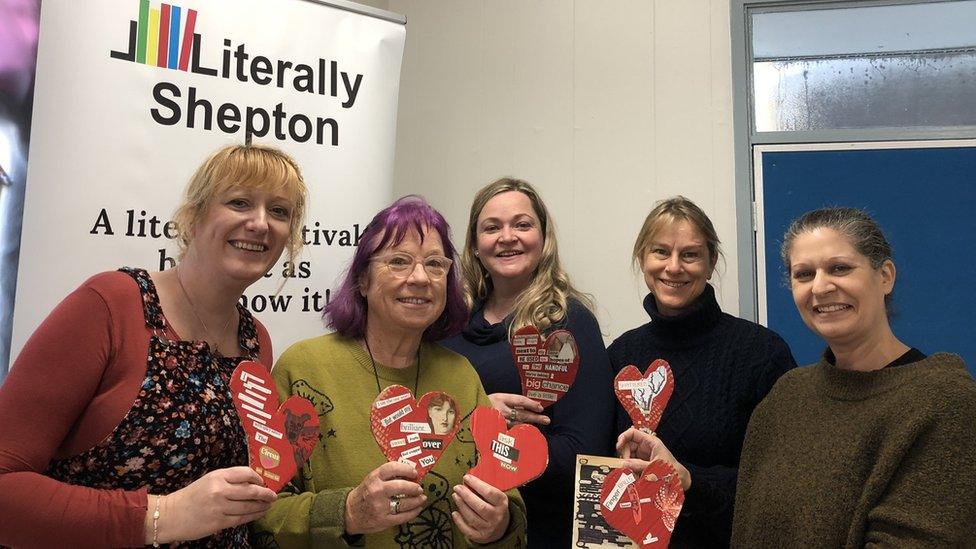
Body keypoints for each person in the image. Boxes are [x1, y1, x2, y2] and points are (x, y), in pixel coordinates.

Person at [0, 143, 308, 547]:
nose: (260, 223)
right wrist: (164, 515)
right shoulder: (111, 305)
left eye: (279, 211)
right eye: (239, 202)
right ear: (194, 217)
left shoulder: (255, 341)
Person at [255, 196, 526, 548]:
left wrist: (500, 525)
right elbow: (261, 514)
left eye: (435, 265)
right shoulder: (305, 368)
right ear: (363, 281)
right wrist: (347, 513)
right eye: (398, 262)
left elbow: (509, 493)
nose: (419, 278)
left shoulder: (460, 375)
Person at [732, 207, 976, 547]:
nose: (820, 287)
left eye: (839, 268)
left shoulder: (944, 402)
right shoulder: (785, 398)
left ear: (885, 276)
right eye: (803, 274)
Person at [609, 196, 795, 547]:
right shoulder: (621, 355)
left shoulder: (761, 353)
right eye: (660, 252)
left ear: (710, 264)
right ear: (642, 260)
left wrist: (688, 479)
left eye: (690, 254)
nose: (673, 267)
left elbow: (783, 481)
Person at [442, 177, 615, 548]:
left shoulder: (568, 325)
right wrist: (479, 413)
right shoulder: (447, 325)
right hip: (451, 524)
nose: (507, 237)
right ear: (474, 245)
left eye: (522, 224)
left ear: (543, 238)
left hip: (539, 530)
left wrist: (495, 436)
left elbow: (585, 455)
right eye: (492, 227)